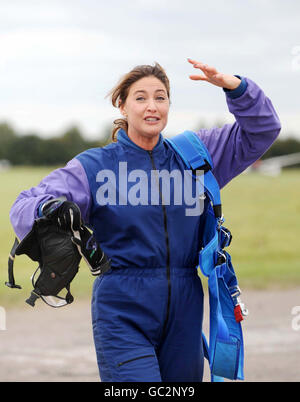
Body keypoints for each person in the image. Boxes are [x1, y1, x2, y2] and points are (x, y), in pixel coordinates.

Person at [10, 58, 281, 382]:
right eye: (140, 98)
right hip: (123, 307)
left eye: (160, 97)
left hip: (186, 306)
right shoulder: (95, 166)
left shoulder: (196, 157)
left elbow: (263, 129)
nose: (152, 106)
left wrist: (237, 88)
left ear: (168, 104)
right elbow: (25, 204)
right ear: (122, 105)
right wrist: (48, 210)